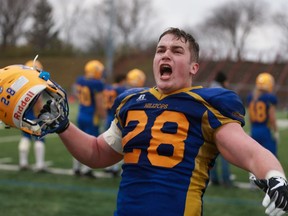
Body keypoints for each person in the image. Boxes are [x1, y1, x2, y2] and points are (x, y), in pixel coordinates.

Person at [1, 27, 288, 216]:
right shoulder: (130, 102)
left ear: (193, 67)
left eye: (177, 51)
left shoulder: (208, 103)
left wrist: (274, 177)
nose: (166, 54)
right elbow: (99, 152)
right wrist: (63, 125)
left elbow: (248, 150)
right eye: (161, 49)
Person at [73, 59, 107, 178]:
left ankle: (76, 167)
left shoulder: (81, 80)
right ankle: (86, 169)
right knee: (91, 143)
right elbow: (99, 103)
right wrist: (104, 116)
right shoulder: (97, 84)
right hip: (92, 116)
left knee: (78, 142)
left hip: (81, 113)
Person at [18, 59, 47, 172]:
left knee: (25, 137)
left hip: (24, 115)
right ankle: (39, 164)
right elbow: (38, 102)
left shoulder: (21, 83)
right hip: (35, 115)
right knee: (39, 139)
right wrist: (42, 114)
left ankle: (23, 162)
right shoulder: (36, 82)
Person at [209, 71, 233, 187]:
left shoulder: (209, 89)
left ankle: (214, 179)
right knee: (225, 155)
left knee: (212, 156)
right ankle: (226, 180)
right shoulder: (222, 92)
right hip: (221, 125)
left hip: (209, 126)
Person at [247, 72, 278, 156]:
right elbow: (272, 117)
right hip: (265, 130)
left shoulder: (251, 96)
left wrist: (251, 129)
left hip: (254, 130)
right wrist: (275, 131)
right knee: (271, 157)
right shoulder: (270, 97)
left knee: (256, 157)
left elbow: (250, 116)